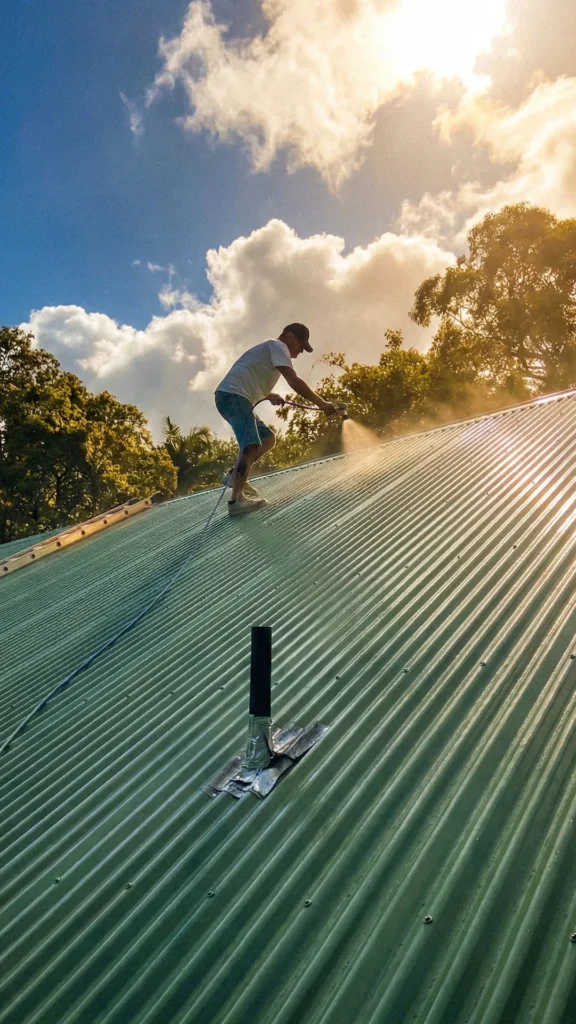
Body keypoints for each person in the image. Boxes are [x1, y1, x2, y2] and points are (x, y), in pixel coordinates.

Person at [215, 323, 338, 516]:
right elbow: (294, 381)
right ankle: (236, 501)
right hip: (234, 397)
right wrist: (321, 403)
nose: (300, 352)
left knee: (267, 439)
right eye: (300, 345)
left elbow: (250, 377)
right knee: (251, 444)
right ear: (289, 336)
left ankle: (234, 476)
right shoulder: (279, 346)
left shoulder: (270, 349)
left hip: (236, 397)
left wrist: (268, 394)